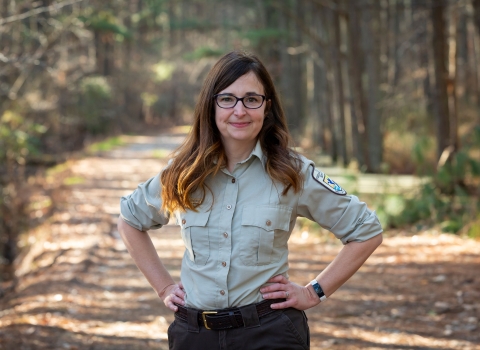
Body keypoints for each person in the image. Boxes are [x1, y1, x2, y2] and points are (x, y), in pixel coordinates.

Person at [118, 51, 383, 350]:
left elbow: (366, 230)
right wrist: (163, 286)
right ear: (211, 105)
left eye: (251, 99)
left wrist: (314, 292)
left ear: (266, 106)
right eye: (227, 99)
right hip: (194, 336)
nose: (239, 111)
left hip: (269, 334)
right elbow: (130, 220)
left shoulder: (292, 173)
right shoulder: (183, 172)